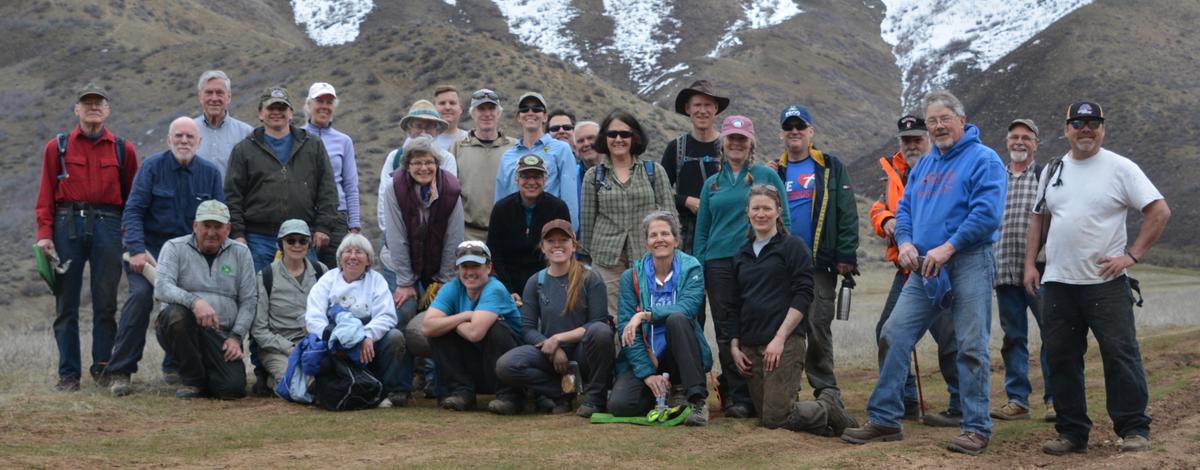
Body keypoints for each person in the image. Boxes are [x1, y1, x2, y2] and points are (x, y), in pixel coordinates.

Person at [843, 90, 1006, 456]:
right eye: (931, 121)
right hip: (923, 267)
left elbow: (986, 214)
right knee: (893, 333)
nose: (937, 127)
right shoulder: (925, 165)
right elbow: (904, 211)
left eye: (944, 119)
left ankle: (976, 427)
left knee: (970, 345)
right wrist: (904, 243)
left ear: (961, 121)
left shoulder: (984, 160)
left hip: (968, 261)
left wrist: (948, 246)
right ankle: (885, 418)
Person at [1028, 102, 1170, 455]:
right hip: (1059, 281)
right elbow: (1039, 219)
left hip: (1105, 283)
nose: (1086, 129)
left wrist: (1131, 256)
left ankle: (1133, 428)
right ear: (1066, 129)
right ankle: (1072, 433)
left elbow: (1159, 211)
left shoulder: (1121, 168)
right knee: (1061, 357)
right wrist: (1030, 263)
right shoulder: (1053, 169)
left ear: (1103, 129)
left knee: (1120, 354)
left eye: (1093, 123)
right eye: (1078, 122)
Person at [104, 117, 224, 397]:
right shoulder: (151, 168)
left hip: (189, 258)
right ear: (168, 140)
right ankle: (120, 371)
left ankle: (178, 368)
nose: (184, 141)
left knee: (185, 309)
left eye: (189, 137)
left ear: (199, 142)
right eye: (178, 136)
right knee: (140, 298)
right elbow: (133, 211)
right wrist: (135, 249)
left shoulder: (210, 174)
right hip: (149, 254)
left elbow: (219, 219)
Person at [727, 185, 856, 435]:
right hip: (750, 346)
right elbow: (734, 304)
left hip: (783, 343)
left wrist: (779, 339)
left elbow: (804, 294)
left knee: (776, 418)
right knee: (767, 414)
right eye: (756, 208)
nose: (761, 214)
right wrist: (734, 346)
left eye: (767, 208)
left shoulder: (792, 246)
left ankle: (828, 407)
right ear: (748, 213)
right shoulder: (741, 255)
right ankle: (822, 423)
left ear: (778, 212)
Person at [35, 82, 140, 391]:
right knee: (65, 304)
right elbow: (44, 197)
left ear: (107, 110)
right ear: (76, 109)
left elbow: (133, 199)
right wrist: (44, 235)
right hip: (66, 225)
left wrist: (128, 235)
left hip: (109, 226)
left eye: (99, 103)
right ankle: (68, 375)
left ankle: (103, 369)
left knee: (105, 303)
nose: (93, 107)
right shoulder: (58, 147)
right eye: (87, 102)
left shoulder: (123, 149)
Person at [693, 115, 789, 418]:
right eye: (731, 138)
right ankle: (736, 396)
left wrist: (785, 256)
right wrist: (698, 267)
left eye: (742, 139)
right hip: (718, 262)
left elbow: (783, 219)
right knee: (726, 329)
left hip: (756, 258)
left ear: (751, 143)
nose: (736, 144)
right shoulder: (712, 183)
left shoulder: (766, 177)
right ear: (723, 143)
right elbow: (702, 229)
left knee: (754, 322)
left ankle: (759, 388)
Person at [868, 115, 961, 426]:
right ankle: (904, 398)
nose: (911, 145)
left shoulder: (946, 168)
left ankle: (960, 405)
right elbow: (879, 206)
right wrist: (886, 220)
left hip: (940, 267)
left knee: (950, 338)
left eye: (917, 139)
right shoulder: (895, 171)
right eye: (906, 140)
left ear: (929, 140)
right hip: (907, 269)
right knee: (888, 331)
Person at [772, 104, 859, 404]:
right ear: (782, 133)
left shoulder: (830, 166)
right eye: (789, 127)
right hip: (781, 265)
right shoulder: (774, 170)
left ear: (811, 132)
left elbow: (846, 211)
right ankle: (787, 390)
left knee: (818, 325)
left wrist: (846, 254)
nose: (794, 131)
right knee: (785, 327)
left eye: (800, 126)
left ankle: (827, 390)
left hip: (820, 263)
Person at [495, 219, 613, 417]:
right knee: (506, 365)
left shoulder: (590, 278)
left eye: (563, 240)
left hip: (583, 351)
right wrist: (550, 347)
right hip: (548, 353)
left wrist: (559, 339)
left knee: (601, 332)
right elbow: (527, 328)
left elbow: (598, 321)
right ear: (542, 247)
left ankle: (595, 399)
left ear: (573, 245)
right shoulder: (535, 282)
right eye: (550, 241)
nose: (557, 245)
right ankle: (561, 393)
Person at [381, 135, 465, 404]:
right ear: (407, 165)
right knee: (403, 314)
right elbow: (396, 236)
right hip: (403, 265)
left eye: (429, 162)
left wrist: (444, 279)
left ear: (437, 164)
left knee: (439, 319)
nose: (423, 168)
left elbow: (454, 237)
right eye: (417, 162)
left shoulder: (451, 189)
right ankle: (399, 387)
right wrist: (405, 282)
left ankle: (442, 386)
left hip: (440, 265)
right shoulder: (394, 188)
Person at [608, 211, 711, 426]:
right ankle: (662, 392)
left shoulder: (691, 267)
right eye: (653, 235)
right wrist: (647, 373)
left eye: (665, 233)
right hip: (649, 355)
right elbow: (627, 329)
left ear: (675, 240)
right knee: (620, 405)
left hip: (679, 353)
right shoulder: (631, 276)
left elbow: (688, 307)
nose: (659, 239)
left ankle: (696, 399)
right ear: (646, 242)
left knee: (676, 319)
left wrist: (645, 315)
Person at [225, 86, 340, 272]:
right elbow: (233, 196)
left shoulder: (312, 146)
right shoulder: (243, 150)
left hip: (301, 238)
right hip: (258, 240)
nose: (276, 112)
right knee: (257, 295)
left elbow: (327, 190)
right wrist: (238, 234)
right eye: (271, 108)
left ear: (291, 113)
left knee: (305, 295)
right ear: (261, 114)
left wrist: (323, 227)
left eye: (282, 108)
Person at [154, 200, 256, 399]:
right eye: (206, 226)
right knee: (177, 315)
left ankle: (206, 373)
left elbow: (249, 300)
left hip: (222, 334)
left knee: (232, 389)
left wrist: (236, 337)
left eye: (218, 227)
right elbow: (161, 287)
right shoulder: (174, 247)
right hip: (182, 327)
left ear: (228, 229)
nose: (211, 232)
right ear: (195, 226)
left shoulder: (241, 253)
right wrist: (195, 302)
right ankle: (192, 380)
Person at [580, 111, 677, 315]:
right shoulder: (593, 176)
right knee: (613, 316)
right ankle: (620, 348)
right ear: (604, 138)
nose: (618, 139)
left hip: (648, 256)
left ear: (635, 137)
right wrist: (591, 256)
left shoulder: (654, 171)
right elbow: (587, 221)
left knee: (649, 311)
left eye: (624, 134)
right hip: (607, 259)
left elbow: (670, 217)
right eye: (612, 134)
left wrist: (671, 252)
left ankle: (645, 349)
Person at [990, 118, 1055, 422]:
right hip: (1003, 272)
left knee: (1052, 334)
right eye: (1014, 136)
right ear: (1007, 141)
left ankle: (1056, 400)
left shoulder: (1045, 177)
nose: (1019, 142)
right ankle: (1017, 400)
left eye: (1026, 138)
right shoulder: (994, 178)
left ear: (1036, 144)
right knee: (1013, 337)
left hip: (1040, 272)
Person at [421, 241, 525, 414]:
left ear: (489, 267)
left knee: (495, 329)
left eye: (476, 266)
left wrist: (449, 321)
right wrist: (465, 316)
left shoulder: (495, 288)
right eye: (464, 266)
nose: (469, 272)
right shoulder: (451, 288)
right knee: (437, 334)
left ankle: (510, 396)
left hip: (509, 366)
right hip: (478, 362)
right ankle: (462, 393)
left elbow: (475, 333)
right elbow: (426, 327)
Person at [304, 233, 408, 407]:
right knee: (317, 351)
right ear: (340, 258)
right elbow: (313, 317)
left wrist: (367, 335)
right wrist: (335, 338)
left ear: (368, 260)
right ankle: (326, 389)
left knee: (395, 337)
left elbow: (387, 315)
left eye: (359, 252)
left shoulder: (377, 280)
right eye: (348, 251)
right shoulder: (327, 280)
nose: (352, 256)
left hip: (368, 343)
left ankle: (387, 390)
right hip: (335, 341)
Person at [251, 219, 326, 389]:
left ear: (309, 244)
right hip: (278, 348)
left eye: (303, 240)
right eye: (291, 240)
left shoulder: (322, 272)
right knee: (298, 382)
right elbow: (259, 329)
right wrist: (289, 348)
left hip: (314, 343)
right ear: (280, 244)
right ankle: (276, 380)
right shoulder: (266, 276)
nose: (297, 245)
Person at [493, 92, 580, 231]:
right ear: (518, 117)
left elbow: (569, 199)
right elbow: (500, 200)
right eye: (525, 109)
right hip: (514, 233)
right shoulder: (507, 156)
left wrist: (570, 234)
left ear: (545, 116)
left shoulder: (561, 150)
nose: (530, 112)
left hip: (550, 234)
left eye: (536, 109)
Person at [487, 154, 571, 296]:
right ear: (516, 179)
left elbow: (564, 249)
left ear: (545, 180)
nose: (531, 182)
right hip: (507, 284)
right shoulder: (501, 209)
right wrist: (509, 290)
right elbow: (494, 252)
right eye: (525, 176)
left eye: (537, 176)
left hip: (548, 283)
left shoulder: (558, 208)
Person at [661, 80, 728, 253]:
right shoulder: (675, 148)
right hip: (685, 234)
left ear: (716, 109)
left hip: (723, 230)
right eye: (697, 105)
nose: (702, 110)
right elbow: (659, 193)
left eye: (708, 105)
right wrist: (686, 201)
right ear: (687, 109)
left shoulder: (729, 148)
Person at [301, 82, 361, 269]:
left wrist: (354, 226)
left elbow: (351, 185)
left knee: (337, 274)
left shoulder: (344, 141)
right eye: (319, 101)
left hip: (337, 218)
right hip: (305, 216)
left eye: (329, 102)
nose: (324, 106)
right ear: (309, 105)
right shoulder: (296, 137)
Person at [449, 89, 516, 241]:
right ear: (473, 113)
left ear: (499, 113)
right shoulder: (457, 148)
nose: (487, 114)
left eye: (491, 108)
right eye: (481, 109)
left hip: (507, 233)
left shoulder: (514, 148)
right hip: (468, 234)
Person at [193, 70, 253, 178]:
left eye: (219, 93)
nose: (214, 98)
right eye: (209, 93)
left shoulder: (247, 133)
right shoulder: (186, 132)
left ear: (229, 97)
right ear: (200, 97)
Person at [433, 85, 469, 151]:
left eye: (452, 103)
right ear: (434, 109)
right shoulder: (424, 141)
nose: (447, 107)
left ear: (460, 109)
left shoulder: (470, 140)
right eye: (442, 103)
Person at [573, 120, 600, 204]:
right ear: (575, 148)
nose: (586, 144)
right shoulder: (572, 177)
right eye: (580, 141)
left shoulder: (620, 171)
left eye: (591, 138)